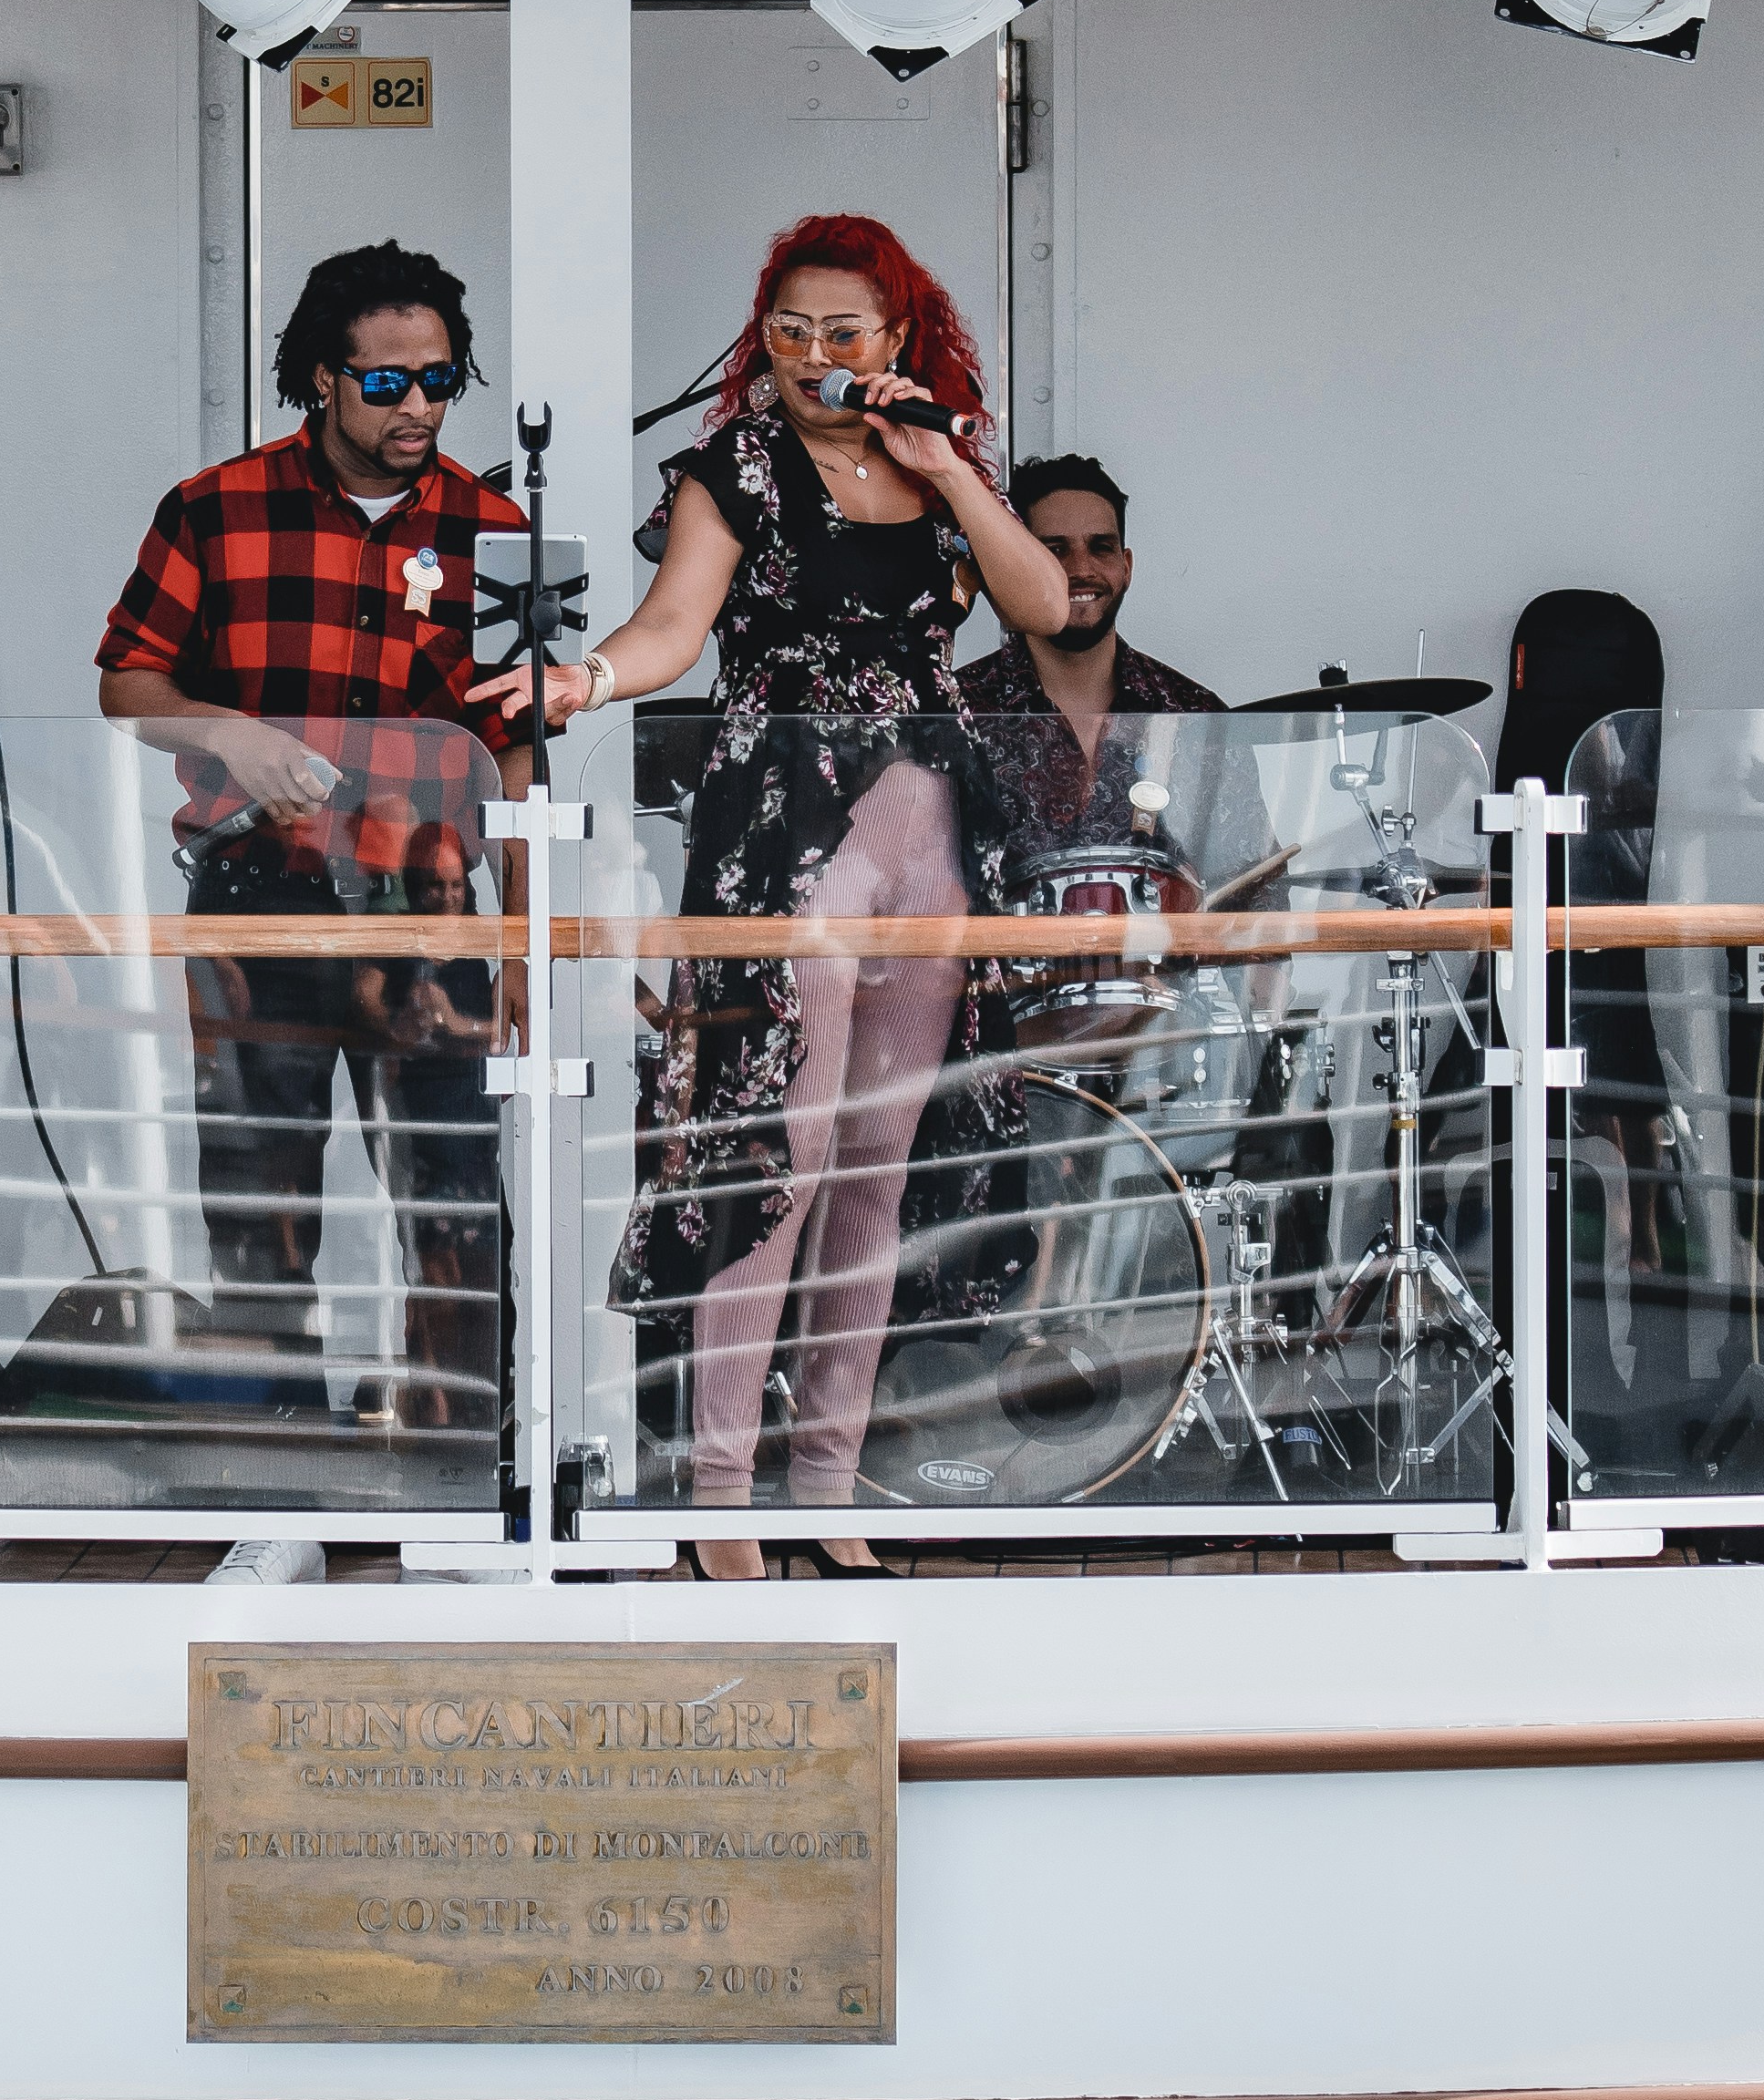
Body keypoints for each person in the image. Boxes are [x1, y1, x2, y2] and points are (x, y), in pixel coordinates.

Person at [509, 216, 1071, 1564]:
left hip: (931, 833)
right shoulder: (739, 466)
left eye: (843, 332)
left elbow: (1047, 604)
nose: (814, 355)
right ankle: (720, 1486)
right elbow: (673, 625)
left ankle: (827, 1477)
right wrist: (587, 677)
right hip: (788, 825)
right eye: (789, 332)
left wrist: (950, 467)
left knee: (878, 1167)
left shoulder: (937, 464)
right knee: (781, 1154)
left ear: (897, 337)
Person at [96, 242, 531, 1430]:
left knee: (452, 1196)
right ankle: (277, 1455)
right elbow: (127, 682)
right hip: (257, 894)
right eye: (387, 382)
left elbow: (521, 746)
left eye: (440, 379)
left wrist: (531, 933)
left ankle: (460, 1454)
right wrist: (227, 733)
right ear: (323, 379)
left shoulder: (494, 528)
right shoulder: (214, 507)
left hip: (431, 905)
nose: (418, 405)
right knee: (257, 1194)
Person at [955, 458, 1225, 853]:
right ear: (1016, 567)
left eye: (1101, 548)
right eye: (1054, 550)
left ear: (1126, 567)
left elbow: (1255, 877)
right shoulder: (955, 710)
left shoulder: (1197, 714)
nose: (1082, 569)